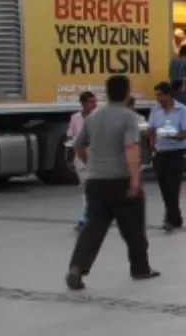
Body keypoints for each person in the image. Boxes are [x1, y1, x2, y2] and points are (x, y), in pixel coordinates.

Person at [66, 74, 158, 290]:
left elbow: (78, 146)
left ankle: (77, 267)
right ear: (127, 93)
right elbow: (131, 148)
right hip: (120, 180)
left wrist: (91, 165)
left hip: (96, 181)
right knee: (134, 228)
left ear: (106, 93)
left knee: (93, 227)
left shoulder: (93, 116)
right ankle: (140, 268)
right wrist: (135, 179)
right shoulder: (128, 117)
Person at [148, 80, 186, 231]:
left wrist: (176, 136)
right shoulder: (155, 111)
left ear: (168, 95)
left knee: (173, 187)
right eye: (157, 95)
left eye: (160, 95)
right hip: (160, 153)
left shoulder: (182, 110)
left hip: (176, 153)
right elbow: (151, 130)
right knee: (164, 188)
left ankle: (169, 219)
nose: (158, 98)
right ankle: (176, 217)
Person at [68, 90, 97, 231]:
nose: (94, 104)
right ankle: (85, 218)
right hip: (81, 159)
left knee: (94, 190)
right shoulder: (75, 118)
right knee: (87, 189)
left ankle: (87, 217)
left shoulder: (98, 117)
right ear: (84, 103)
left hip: (96, 159)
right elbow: (72, 137)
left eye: (95, 101)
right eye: (91, 101)